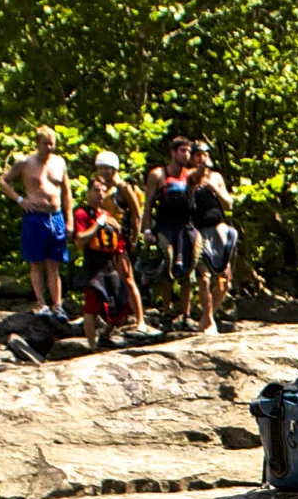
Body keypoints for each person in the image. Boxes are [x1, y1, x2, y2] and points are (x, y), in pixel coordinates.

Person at [76, 149, 143, 347]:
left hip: (116, 246)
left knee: (125, 285)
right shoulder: (90, 201)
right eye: (101, 168)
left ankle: (140, 320)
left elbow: (136, 213)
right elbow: (81, 237)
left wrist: (134, 237)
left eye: (108, 168)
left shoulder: (122, 188)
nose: (104, 172)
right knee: (95, 298)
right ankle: (93, 344)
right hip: (97, 252)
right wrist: (99, 223)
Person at [5, 126, 71, 323]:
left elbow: (67, 192)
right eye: (46, 144)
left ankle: (57, 305)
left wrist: (70, 220)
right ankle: (41, 302)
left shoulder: (59, 162)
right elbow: (4, 181)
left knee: (54, 264)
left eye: (52, 144)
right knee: (36, 262)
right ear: (38, 144)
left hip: (56, 216)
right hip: (35, 217)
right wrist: (19, 200)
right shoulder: (26, 162)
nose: (49, 147)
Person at [187, 140, 237, 335]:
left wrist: (214, 189)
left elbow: (228, 204)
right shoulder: (187, 178)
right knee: (204, 278)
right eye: (198, 154)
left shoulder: (216, 177)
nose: (202, 158)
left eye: (205, 154)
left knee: (225, 279)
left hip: (218, 229)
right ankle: (209, 322)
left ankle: (206, 317)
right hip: (198, 232)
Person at [148, 137, 196, 326]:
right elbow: (148, 204)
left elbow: (199, 179)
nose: (186, 155)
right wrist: (145, 230)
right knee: (167, 263)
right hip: (164, 224)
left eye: (188, 152)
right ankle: (166, 311)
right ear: (173, 152)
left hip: (185, 225)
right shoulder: (158, 174)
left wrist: (204, 166)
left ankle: (186, 314)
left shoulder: (191, 174)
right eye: (182, 151)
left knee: (188, 268)